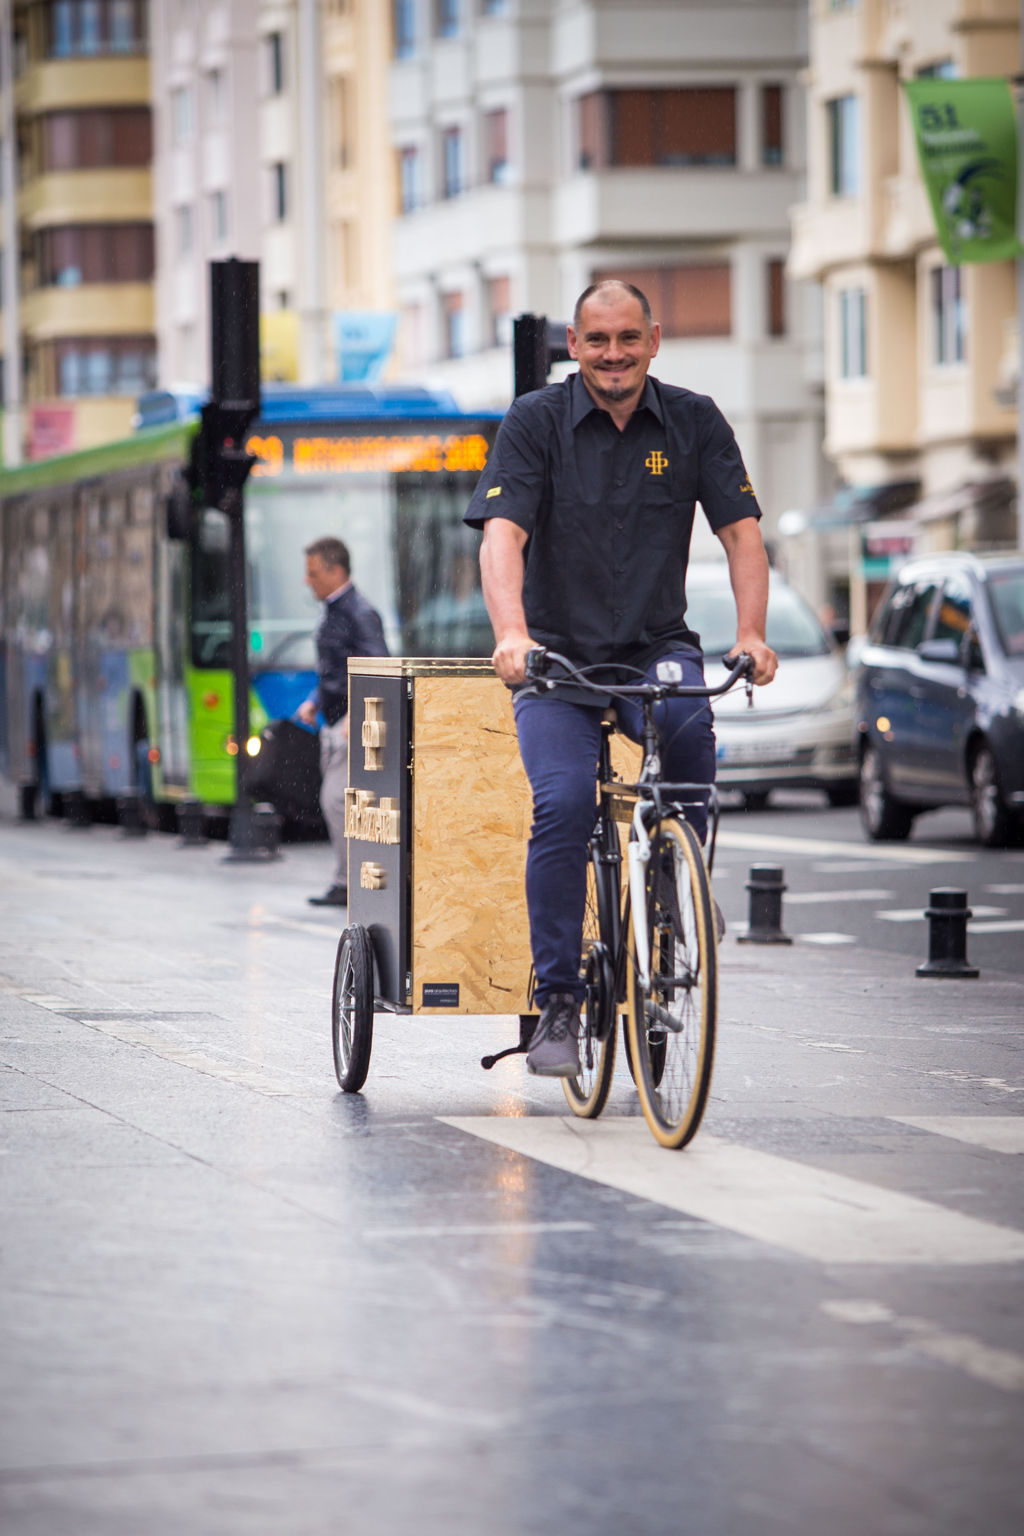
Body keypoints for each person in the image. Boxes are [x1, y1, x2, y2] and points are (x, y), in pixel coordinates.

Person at [464, 279, 779, 1077]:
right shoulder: (536, 421)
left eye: (628, 339)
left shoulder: (694, 420)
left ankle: (679, 886)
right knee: (564, 804)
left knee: (688, 723)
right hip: (558, 661)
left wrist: (751, 634)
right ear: (573, 344)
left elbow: (741, 535)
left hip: (653, 646)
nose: (613, 355)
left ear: (654, 340)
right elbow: (501, 536)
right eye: (597, 340)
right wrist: (511, 635)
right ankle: (561, 1003)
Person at [298, 536, 388, 907]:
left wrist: (357, 714)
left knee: (338, 800)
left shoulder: (358, 612)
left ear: (336, 571)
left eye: (314, 573)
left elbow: (378, 667)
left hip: (353, 724)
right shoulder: (339, 610)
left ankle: (353, 882)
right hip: (337, 723)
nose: (308, 581)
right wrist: (315, 700)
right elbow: (337, 669)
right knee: (344, 802)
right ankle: (346, 880)